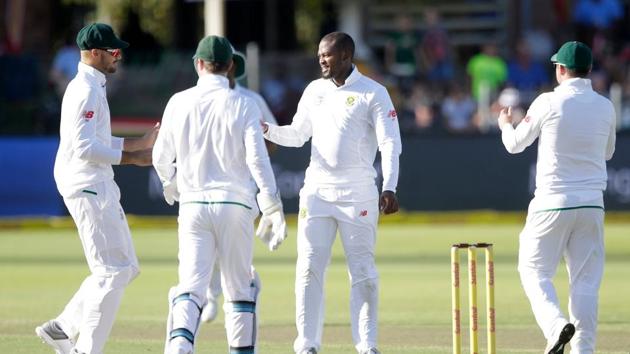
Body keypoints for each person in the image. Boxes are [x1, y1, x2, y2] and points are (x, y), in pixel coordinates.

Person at [262, 32, 402, 354]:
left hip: (359, 195)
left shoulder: (373, 93)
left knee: (363, 272)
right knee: (309, 267)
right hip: (317, 193)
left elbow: (390, 143)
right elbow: (298, 135)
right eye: (319, 55)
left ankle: (367, 345)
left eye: (327, 55)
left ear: (346, 56)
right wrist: (268, 130)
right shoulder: (314, 90)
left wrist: (390, 185)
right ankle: (307, 345)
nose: (321, 59)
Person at [152, 35, 287, 354]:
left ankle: (179, 346)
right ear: (229, 67)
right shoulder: (244, 103)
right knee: (240, 290)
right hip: (236, 205)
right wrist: (272, 205)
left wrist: (170, 183)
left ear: (198, 64)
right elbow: (258, 158)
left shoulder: (178, 101)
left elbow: (160, 157)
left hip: (193, 205)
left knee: (191, 287)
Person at [35, 23, 158, 354]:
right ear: (93, 53)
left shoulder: (91, 86)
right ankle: (85, 348)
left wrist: (137, 145)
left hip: (93, 184)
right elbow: (85, 147)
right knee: (112, 271)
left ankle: (62, 327)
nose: (118, 56)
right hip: (89, 185)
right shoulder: (86, 89)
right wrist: (132, 157)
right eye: (112, 51)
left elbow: (95, 140)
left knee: (126, 268)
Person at [498, 41, 616, 354]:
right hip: (592, 204)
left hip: (552, 201)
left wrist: (504, 125)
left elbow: (514, 145)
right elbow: (608, 151)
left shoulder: (547, 102)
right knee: (586, 281)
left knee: (532, 271)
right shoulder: (606, 106)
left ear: (561, 69)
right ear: (589, 70)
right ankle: (584, 349)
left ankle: (554, 327)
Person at [199, 48, 280, 324]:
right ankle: (211, 295)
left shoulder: (251, 99)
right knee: (209, 247)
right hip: (204, 187)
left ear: (234, 67)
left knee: (230, 248)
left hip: (243, 188)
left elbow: (272, 138)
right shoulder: (198, 98)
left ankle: (241, 292)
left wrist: (249, 151)